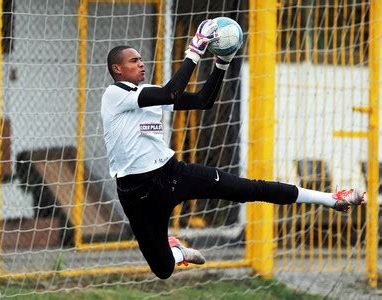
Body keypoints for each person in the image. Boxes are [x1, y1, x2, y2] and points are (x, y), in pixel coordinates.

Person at [101, 19, 365, 280]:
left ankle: (332, 199)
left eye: (140, 59)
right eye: (133, 61)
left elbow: (203, 101)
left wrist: (221, 63)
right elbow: (171, 93)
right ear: (118, 69)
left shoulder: (148, 92)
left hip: (171, 174)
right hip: (136, 191)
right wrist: (195, 49)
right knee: (163, 269)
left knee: (249, 189)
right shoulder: (115, 95)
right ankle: (178, 252)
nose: (141, 63)